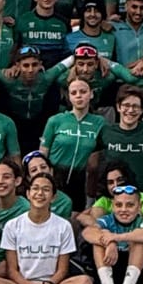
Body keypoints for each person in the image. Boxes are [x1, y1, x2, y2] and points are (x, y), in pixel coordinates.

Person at [0, 169, 91, 284]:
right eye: (35, 189)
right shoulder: (12, 225)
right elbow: (12, 270)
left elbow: (62, 270)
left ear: (53, 197)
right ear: (28, 194)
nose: (40, 193)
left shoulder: (63, 226)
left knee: (85, 282)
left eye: (46, 190)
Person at [81, 181, 143, 284]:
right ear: (112, 206)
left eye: (130, 205)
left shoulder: (140, 222)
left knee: (140, 237)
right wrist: (110, 243)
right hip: (107, 273)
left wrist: (117, 237)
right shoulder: (107, 220)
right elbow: (87, 232)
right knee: (99, 238)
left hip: (133, 278)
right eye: (118, 205)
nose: (123, 210)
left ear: (139, 206)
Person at [41, 72, 106, 202]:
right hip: (56, 175)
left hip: (81, 178)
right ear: (69, 97)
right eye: (74, 93)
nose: (78, 96)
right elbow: (43, 153)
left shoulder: (100, 122)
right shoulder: (55, 120)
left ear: (91, 94)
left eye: (83, 92)